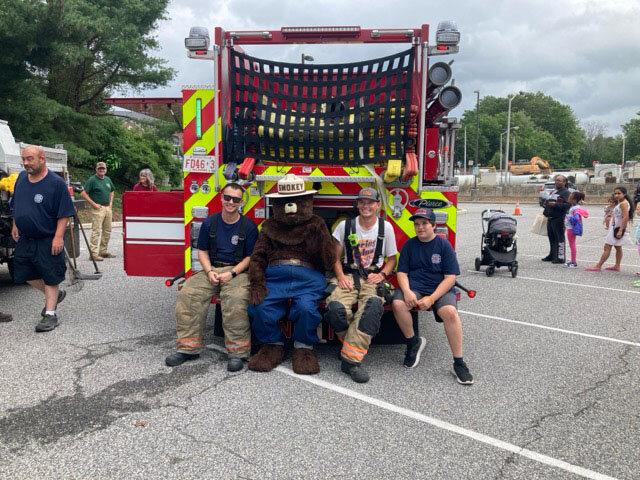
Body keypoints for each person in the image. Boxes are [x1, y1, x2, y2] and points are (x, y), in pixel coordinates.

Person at [166, 183, 258, 372]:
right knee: (189, 294)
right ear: (221, 198)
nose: (231, 202)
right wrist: (209, 272)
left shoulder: (248, 226)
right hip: (212, 268)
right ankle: (188, 348)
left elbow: (250, 257)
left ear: (241, 203)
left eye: (236, 200)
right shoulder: (210, 223)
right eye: (228, 198)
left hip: (236, 271)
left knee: (235, 301)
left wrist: (231, 273)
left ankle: (237, 353)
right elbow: (202, 251)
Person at [391, 208, 473, 385]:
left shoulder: (444, 246)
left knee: (450, 313)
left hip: (439, 288)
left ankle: (459, 363)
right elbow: (402, 272)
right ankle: (413, 343)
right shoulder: (409, 245)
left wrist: (432, 298)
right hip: (415, 287)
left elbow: (451, 277)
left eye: (424, 223)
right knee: (398, 304)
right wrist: (407, 291)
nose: (420, 227)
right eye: (417, 224)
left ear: (434, 225)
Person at [324, 187, 397, 383]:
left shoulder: (386, 227)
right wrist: (340, 277)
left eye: (370, 203)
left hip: (373, 277)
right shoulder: (344, 226)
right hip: (348, 274)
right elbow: (334, 257)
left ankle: (350, 361)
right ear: (357, 205)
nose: (366, 206)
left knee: (372, 307)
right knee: (335, 308)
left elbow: (391, 259)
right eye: (362, 203)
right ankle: (351, 346)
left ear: (377, 206)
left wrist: (382, 274)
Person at [10, 145, 74, 332]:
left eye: (30, 159)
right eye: (24, 159)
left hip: (47, 238)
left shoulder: (56, 183)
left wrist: (58, 237)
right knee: (23, 273)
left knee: (50, 276)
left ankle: (50, 315)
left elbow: (64, 213)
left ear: (42, 159)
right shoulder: (21, 178)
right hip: (26, 238)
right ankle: (55, 294)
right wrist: (15, 224)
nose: (26, 163)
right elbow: (17, 204)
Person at [586, 187, 634, 272]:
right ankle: (617, 266)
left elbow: (625, 217)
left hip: (617, 228)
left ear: (624, 194)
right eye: (615, 193)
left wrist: (620, 230)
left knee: (607, 247)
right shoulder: (622, 203)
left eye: (619, 193)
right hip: (615, 227)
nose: (616, 195)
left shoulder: (623, 204)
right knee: (618, 247)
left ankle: (598, 266)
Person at [80, 161, 115, 261]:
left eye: (103, 168)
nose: (101, 170)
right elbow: (83, 193)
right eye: (100, 168)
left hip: (107, 208)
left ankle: (103, 251)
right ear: (96, 169)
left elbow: (112, 191)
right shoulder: (92, 180)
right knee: (96, 231)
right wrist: (94, 204)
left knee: (107, 230)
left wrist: (111, 202)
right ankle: (93, 254)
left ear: (106, 169)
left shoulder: (108, 179)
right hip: (98, 209)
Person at [541, 175, 570, 264]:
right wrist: (545, 204)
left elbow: (568, 205)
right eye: (556, 180)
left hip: (559, 219)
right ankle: (552, 255)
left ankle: (560, 257)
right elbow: (549, 201)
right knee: (552, 238)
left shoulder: (566, 192)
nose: (557, 182)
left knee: (559, 239)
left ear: (564, 182)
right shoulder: (554, 191)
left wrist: (555, 205)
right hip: (550, 218)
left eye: (559, 180)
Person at [564, 191, 588, 268]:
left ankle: (574, 262)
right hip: (569, 228)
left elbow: (576, 218)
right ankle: (572, 260)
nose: (568, 199)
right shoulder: (573, 206)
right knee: (571, 245)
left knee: (572, 245)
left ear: (574, 200)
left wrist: (571, 219)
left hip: (571, 228)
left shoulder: (575, 208)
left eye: (570, 198)